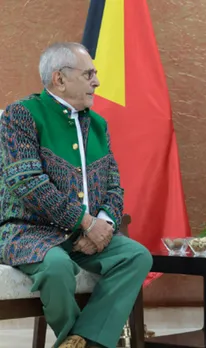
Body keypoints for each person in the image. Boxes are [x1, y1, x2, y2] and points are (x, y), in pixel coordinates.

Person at [0, 42, 152, 348]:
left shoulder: (97, 124)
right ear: (60, 79)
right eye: (89, 74)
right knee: (57, 268)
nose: (96, 81)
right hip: (27, 232)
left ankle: (85, 341)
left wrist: (105, 224)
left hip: (86, 233)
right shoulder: (21, 116)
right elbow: (28, 183)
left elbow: (113, 184)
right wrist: (85, 222)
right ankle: (79, 340)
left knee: (136, 256)